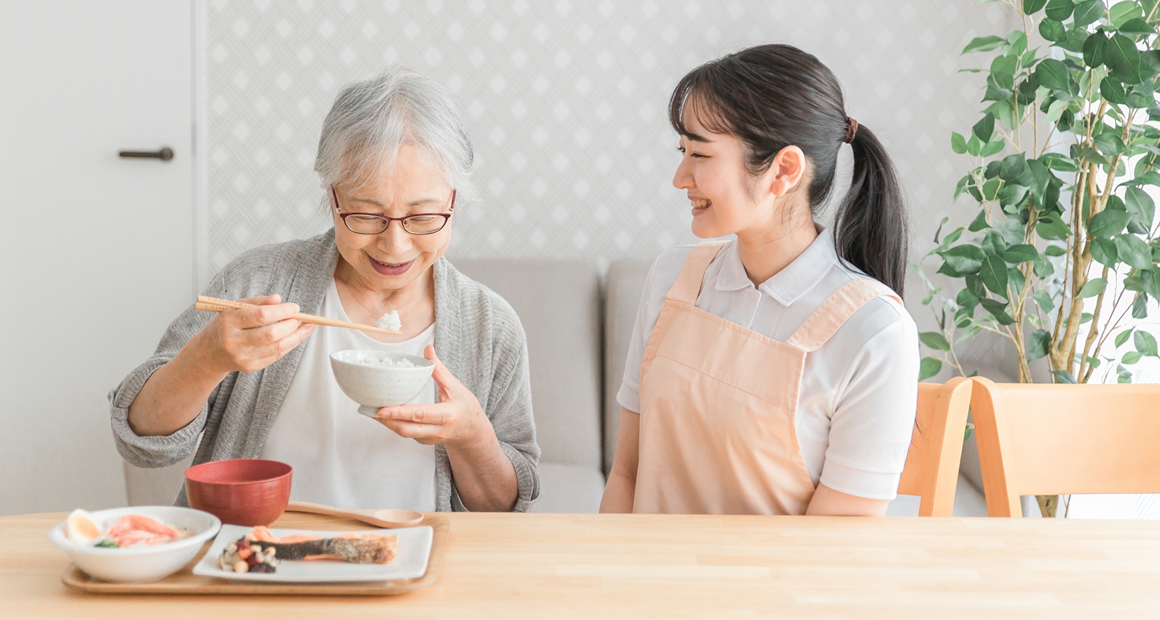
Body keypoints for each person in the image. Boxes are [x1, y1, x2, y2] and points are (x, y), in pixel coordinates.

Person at [110, 67, 540, 513]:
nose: (395, 245)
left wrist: (472, 434)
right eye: (368, 214)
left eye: (423, 216)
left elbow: (506, 511)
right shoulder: (260, 282)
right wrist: (207, 358)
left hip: (414, 573)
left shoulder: (491, 325)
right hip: (253, 564)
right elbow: (139, 442)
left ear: (454, 200)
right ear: (332, 197)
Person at [600, 44, 918, 517]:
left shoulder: (873, 332)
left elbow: (836, 549)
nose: (679, 176)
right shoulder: (671, 278)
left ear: (784, 169)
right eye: (682, 151)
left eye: (701, 155)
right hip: (645, 582)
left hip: (777, 590)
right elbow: (626, 473)